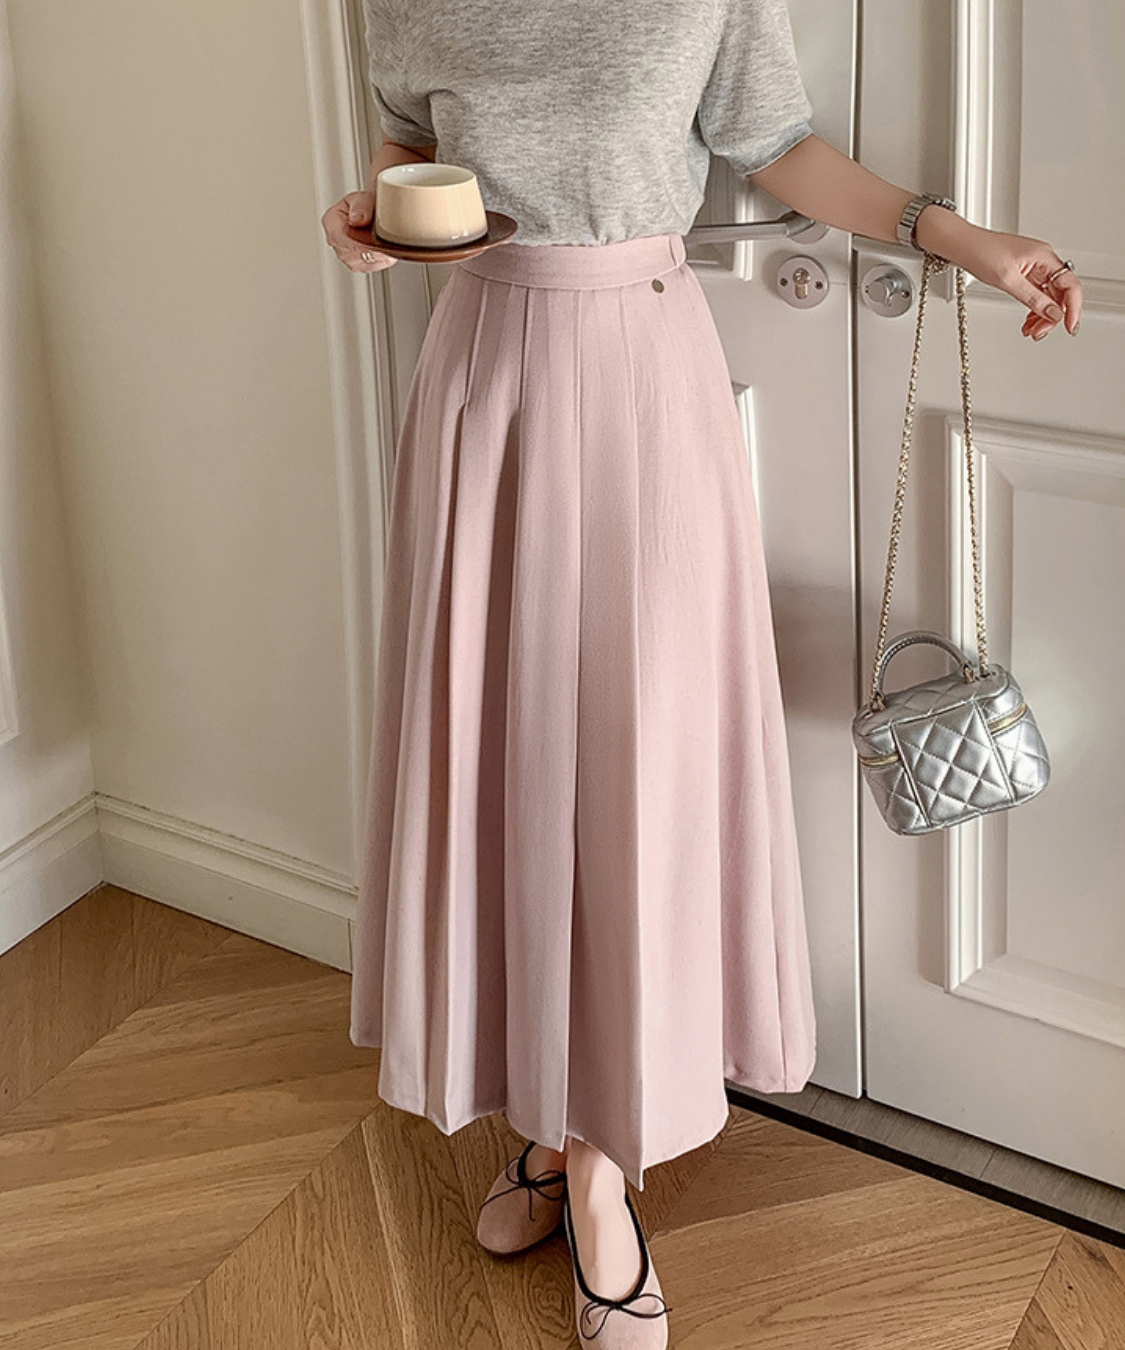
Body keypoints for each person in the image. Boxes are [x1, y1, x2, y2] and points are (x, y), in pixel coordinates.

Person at [321, 1, 1082, 1344]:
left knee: (640, 762)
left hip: (644, 375)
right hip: (482, 381)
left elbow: (776, 147)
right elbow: (406, 152)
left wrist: (962, 238)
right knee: (503, 755)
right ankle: (547, 1118)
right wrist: (369, 216)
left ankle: (599, 1164)